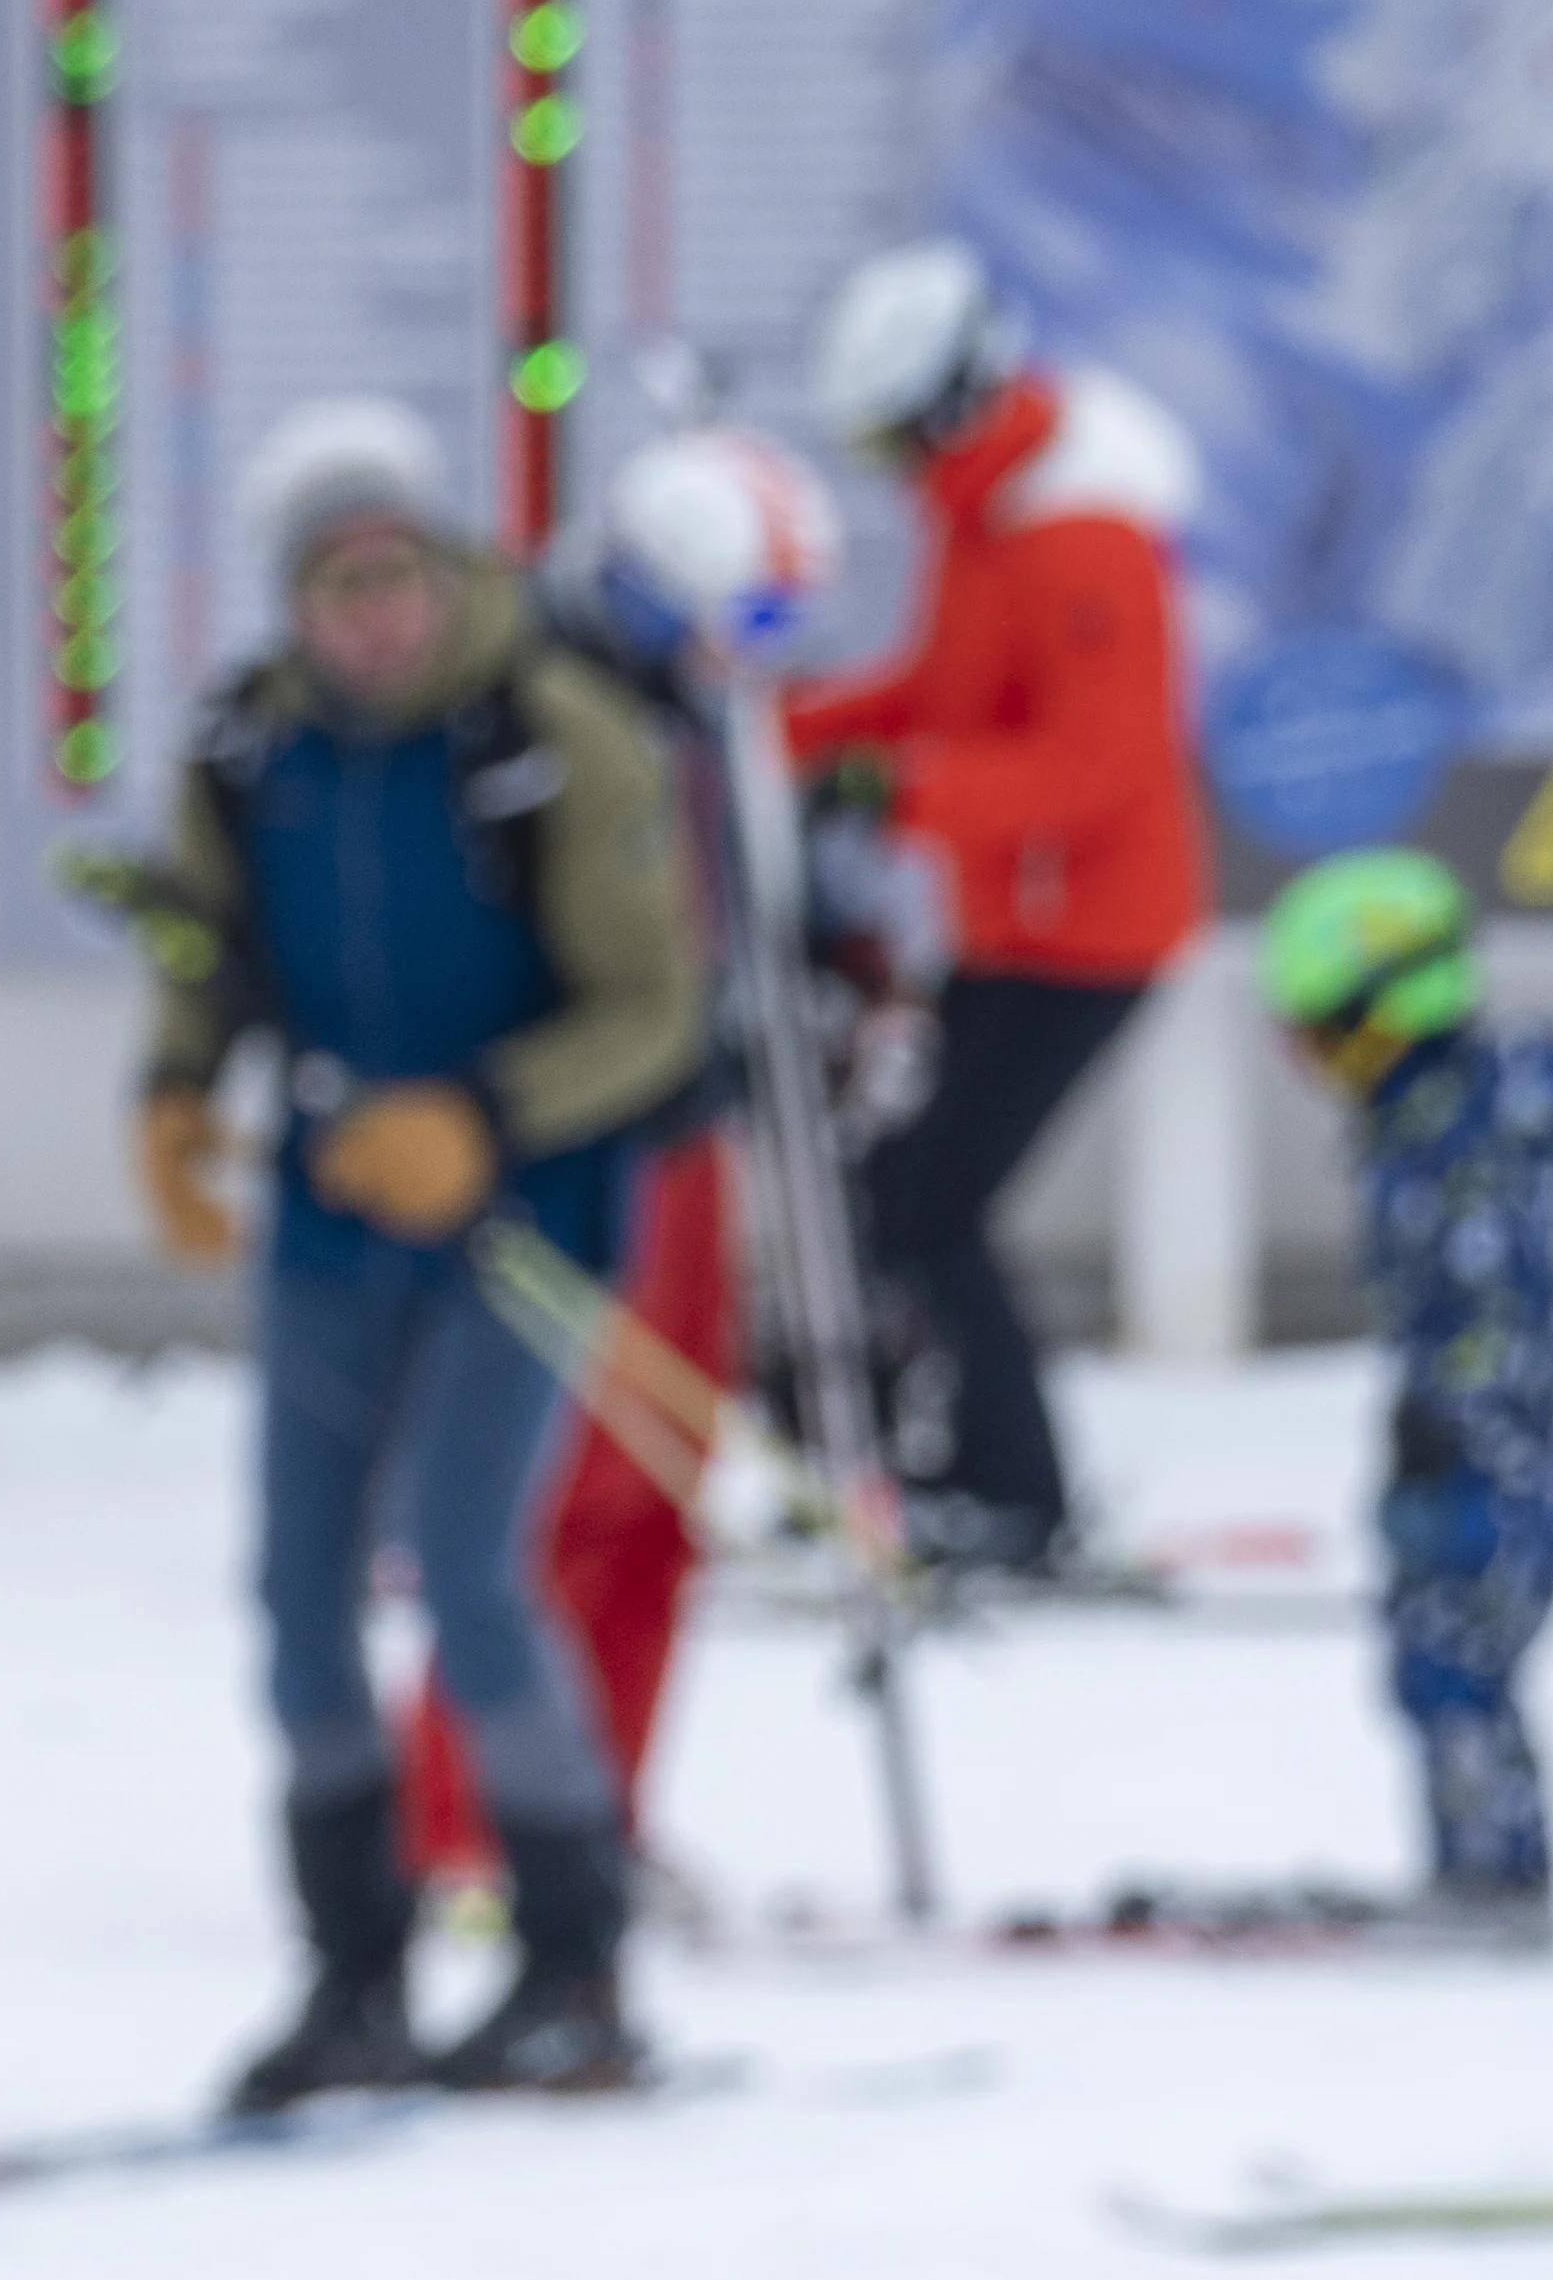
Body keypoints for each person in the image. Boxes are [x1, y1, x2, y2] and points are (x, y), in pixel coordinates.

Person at [130, 396, 708, 2103]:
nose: (375, 615)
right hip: (331, 1220)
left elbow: (657, 1012)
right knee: (298, 1597)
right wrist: (176, 1087)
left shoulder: (550, 736)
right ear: (293, 608)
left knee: (468, 1572)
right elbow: (205, 943)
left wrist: (485, 1112)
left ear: (445, 564)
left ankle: (574, 1958)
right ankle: (352, 1968)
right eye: (336, 587)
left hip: (525, 1226)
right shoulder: (249, 754)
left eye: (397, 573)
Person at [389, 428, 843, 1878]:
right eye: (749, 620)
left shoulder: (695, 717)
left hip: (684, 1132)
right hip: (564, 1146)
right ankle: (468, 1825)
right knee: (550, 1495)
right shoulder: (514, 711)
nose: (757, 660)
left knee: (662, 1488)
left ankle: (593, 1812)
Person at [785, 239, 1208, 1570]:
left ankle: (1015, 1490)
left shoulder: (1077, 532)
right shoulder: (983, 515)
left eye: (898, 436)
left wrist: (894, 788)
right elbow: (945, 691)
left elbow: (1100, 765)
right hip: (1012, 926)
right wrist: (784, 728)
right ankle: (954, 1466)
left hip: (1088, 939)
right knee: (896, 1188)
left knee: (936, 1205)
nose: (894, 467)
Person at [1260, 849, 1553, 1940]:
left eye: (1318, 1032)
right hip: (1446, 1429)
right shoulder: (1429, 1117)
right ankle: (1473, 1860)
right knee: (1428, 1649)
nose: (1309, 1063)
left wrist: (1454, 1414)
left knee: (1459, 1654)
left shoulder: (1471, 1135)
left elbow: (1505, 1296)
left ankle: (1497, 1875)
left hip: (1489, 1440)